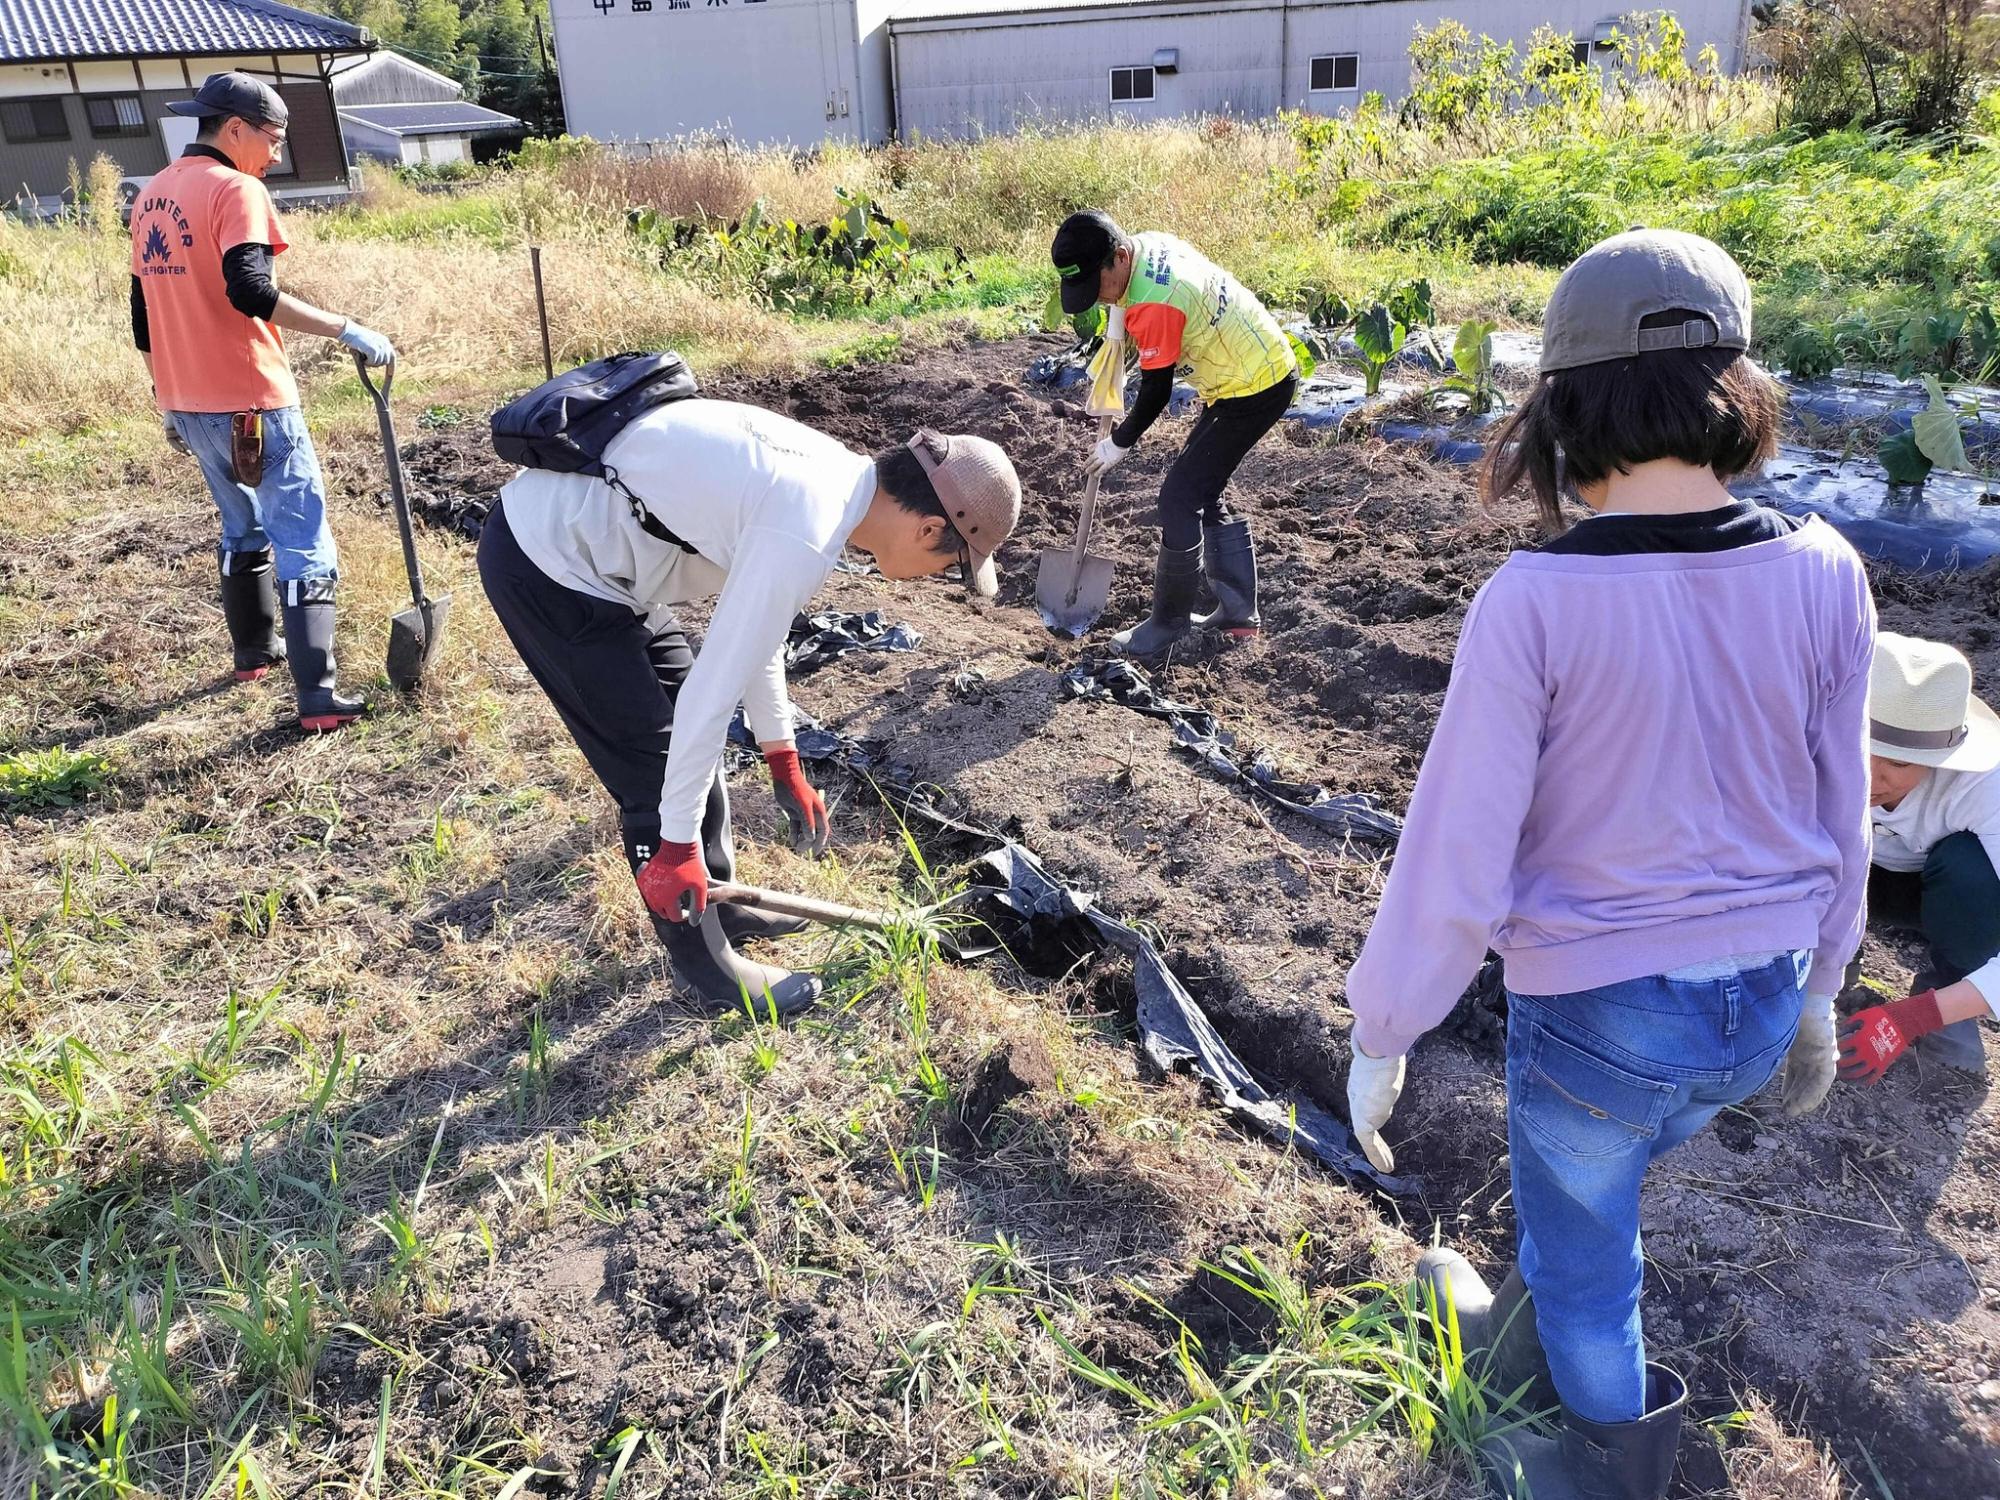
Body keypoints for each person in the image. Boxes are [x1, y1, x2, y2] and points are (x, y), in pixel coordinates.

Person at [1339, 230, 1875, 1499]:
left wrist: (1383, 1027)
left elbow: (1456, 852)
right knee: (1592, 1182)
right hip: (1752, 1012)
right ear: (1734, 392)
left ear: (1562, 406)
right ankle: (1524, 1334)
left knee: (1593, 1256)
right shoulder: (1824, 571)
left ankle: (1605, 1468)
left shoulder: (1535, 602)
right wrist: (1817, 995)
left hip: (1601, 1021)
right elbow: (1840, 817)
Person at [479, 397, 1021, 1015]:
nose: (939, 574)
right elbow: (712, 696)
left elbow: (754, 636)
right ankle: (706, 968)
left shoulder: (834, 484)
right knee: (657, 776)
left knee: (691, 758)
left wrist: (782, 755)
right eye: (951, 563)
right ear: (928, 528)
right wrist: (675, 845)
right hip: (550, 566)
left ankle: (722, 903)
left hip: (617, 570)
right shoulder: (806, 525)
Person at [130, 72, 396, 733]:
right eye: (272, 138)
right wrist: (344, 328)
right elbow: (249, 289)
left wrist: (166, 397)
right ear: (234, 130)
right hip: (253, 399)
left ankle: (255, 654)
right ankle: (319, 699)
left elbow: (141, 315)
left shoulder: (152, 196)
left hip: (190, 403)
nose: (276, 153)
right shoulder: (235, 190)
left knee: (241, 525)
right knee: (303, 539)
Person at [1048, 210, 1298, 661]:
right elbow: (1132, 305)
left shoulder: (1156, 303)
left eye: (1099, 287)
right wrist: (1116, 315)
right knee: (1202, 488)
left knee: (1178, 499)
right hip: (1248, 369)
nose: (1101, 298)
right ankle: (1239, 616)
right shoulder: (1144, 247)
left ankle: (1168, 624)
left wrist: (1119, 441)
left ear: (1119, 258)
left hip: (1254, 385)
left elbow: (1158, 389)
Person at [1836, 632, 2000, 1082]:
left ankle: (1950, 990)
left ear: (1943, 758)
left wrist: (1915, 1016)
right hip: (1837, 875)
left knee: (1971, 867)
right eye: (1862, 745)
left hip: (1928, 892)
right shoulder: (1808, 734)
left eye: (1900, 763)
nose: (1871, 775)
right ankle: (1830, 952)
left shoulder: (1987, 786)